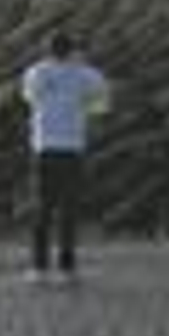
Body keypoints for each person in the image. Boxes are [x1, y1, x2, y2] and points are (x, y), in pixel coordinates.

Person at [19, 30, 109, 276]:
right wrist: (81, 107)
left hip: (44, 146)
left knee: (42, 207)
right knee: (69, 208)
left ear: (48, 50)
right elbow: (102, 105)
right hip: (73, 146)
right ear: (72, 50)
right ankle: (67, 264)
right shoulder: (87, 74)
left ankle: (39, 265)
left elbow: (29, 98)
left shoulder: (36, 72)